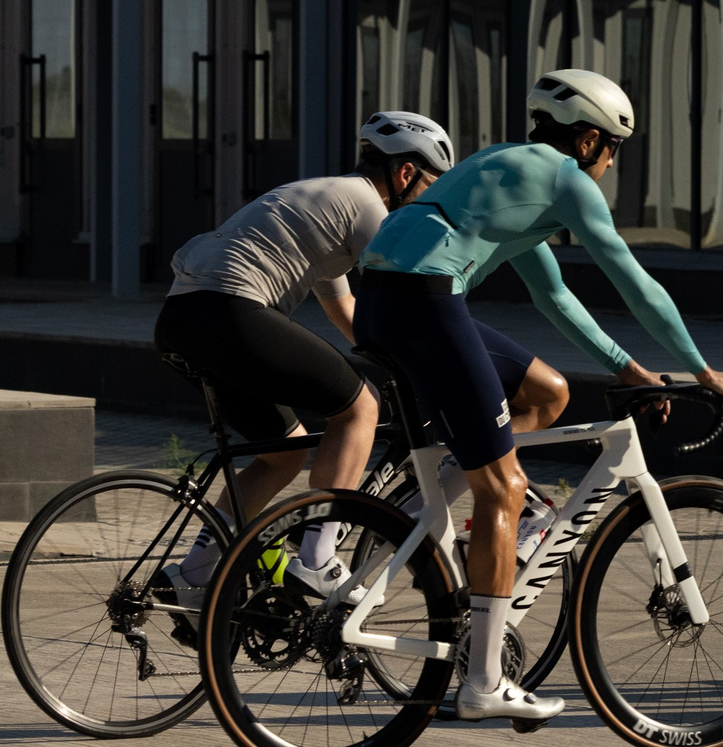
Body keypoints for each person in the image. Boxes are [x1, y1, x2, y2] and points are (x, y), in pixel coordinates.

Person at [356, 69, 723, 724]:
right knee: (504, 487)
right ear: (591, 139)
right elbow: (635, 283)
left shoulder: (506, 168)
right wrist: (705, 373)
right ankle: (483, 680)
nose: (610, 163)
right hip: (422, 302)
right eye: (613, 150)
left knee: (547, 390)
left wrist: (628, 368)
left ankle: (435, 520)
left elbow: (554, 297)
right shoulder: (567, 179)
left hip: (387, 300)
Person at [151, 113, 573, 609]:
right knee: (358, 410)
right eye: (431, 186)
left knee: (282, 453)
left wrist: (405, 369)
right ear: (404, 174)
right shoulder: (373, 211)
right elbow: (406, 306)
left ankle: (194, 573)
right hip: (231, 311)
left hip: (178, 320)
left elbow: (349, 313)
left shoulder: (324, 200)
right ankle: (317, 560)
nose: (430, 201)